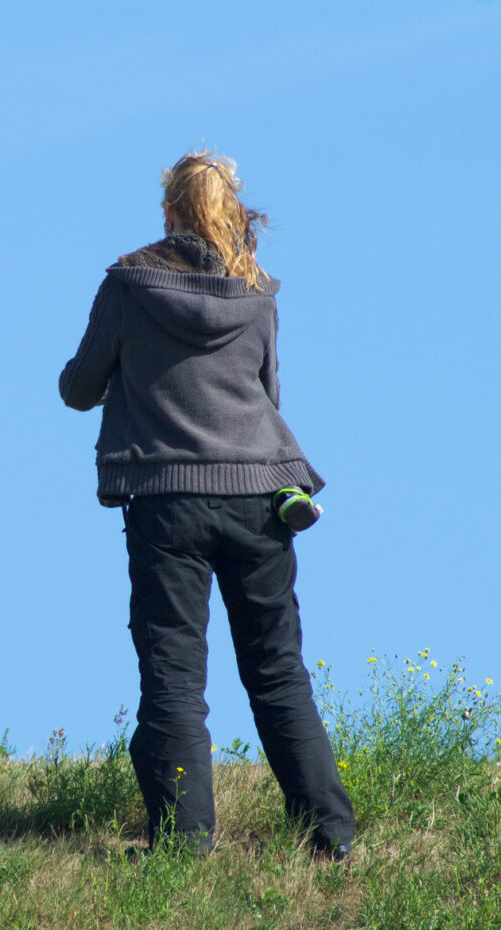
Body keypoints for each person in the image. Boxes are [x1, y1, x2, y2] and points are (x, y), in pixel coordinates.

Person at [58, 151, 355, 860]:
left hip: (168, 500)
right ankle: (330, 836)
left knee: (173, 673)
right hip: (260, 495)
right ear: (230, 210)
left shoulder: (130, 282)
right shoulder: (258, 291)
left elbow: (78, 387)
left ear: (168, 210)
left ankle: (185, 846)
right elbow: (267, 392)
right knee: (278, 670)